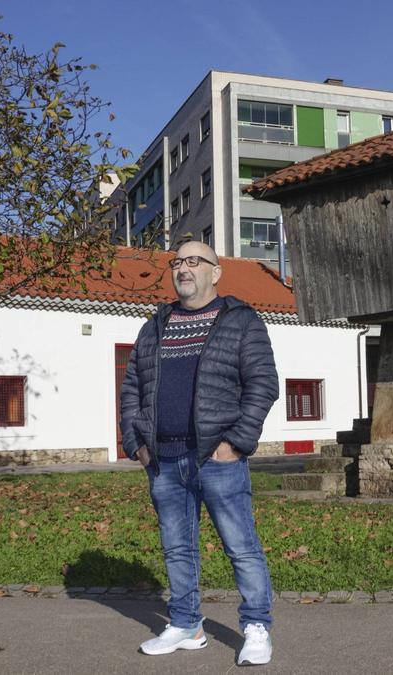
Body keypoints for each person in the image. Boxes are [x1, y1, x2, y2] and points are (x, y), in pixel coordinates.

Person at [119, 240, 279, 666]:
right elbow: (132, 386)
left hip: (217, 458)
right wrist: (136, 443)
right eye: (178, 262)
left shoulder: (241, 320)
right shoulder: (155, 325)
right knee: (177, 548)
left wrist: (236, 442)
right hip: (164, 460)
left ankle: (256, 626)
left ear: (216, 272)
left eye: (194, 261)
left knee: (241, 546)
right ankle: (187, 625)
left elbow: (263, 383)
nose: (184, 269)